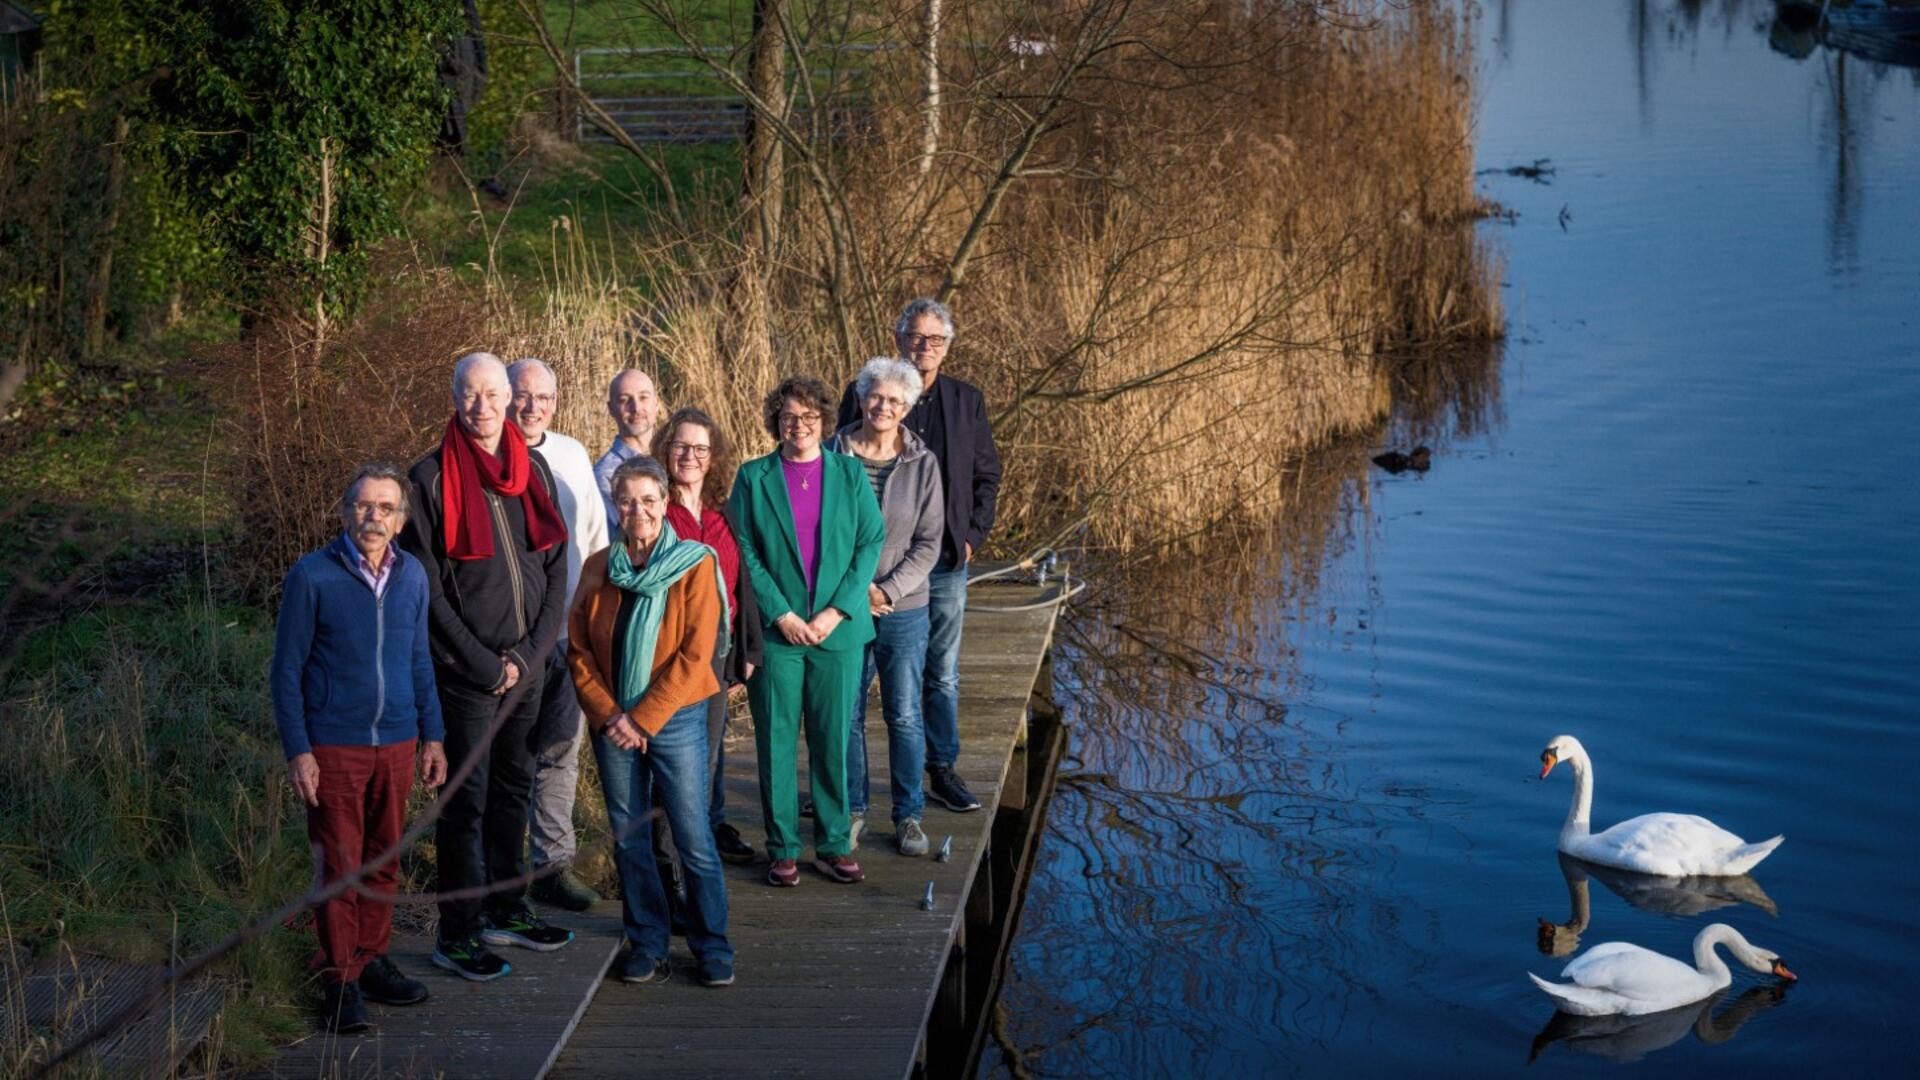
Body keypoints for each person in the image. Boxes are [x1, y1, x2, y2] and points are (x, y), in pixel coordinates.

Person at [399, 352, 575, 983]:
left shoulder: (537, 471)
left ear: (509, 397)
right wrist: (483, 663)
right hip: (466, 673)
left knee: (511, 794)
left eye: (493, 394)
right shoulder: (429, 479)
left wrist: (526, 659)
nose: (484, 407)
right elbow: (429, 593)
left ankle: (507, 906)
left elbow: (557, 569)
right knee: (464, 804)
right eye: (469, 395)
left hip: (525, 665)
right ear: (455, 399)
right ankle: (460, 931)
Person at [271, 464, 449, 1032]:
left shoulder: (413, 576)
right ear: (345, 513)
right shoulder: (312, 576)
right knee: (340, 866)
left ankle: (371, 960)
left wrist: (433, 734)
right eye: (364, 506)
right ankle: (340, 980)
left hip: (397, 741)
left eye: (386, 508)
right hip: (334, 746)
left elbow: (420, 660)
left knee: (383, 859)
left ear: (401, 520)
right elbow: (286, 670)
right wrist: (299, 749)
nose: (374, 517)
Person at [568, 456, 736, 986]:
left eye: (648, 499)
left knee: (692, 836)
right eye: (626, 500)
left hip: (677, 717)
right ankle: (647, 941)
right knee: (629, 837)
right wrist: (610, 714)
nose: (637, 510)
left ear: (665, 504)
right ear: (614, 506)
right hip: (612, 719)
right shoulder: (599, 567)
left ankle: (712, 945)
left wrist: (641, 720)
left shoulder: (695, 564)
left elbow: (695, 655)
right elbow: (577, 651)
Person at [836, 299, 1001, 813]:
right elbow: (837, 466)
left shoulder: (965, 400)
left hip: (944, 557)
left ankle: (941, 769)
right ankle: (848, 791)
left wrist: (971, 534)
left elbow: (986, 474)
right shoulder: (866, 392)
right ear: (898, 336)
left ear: (947, 346)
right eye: (914, 335)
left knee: (940, 670)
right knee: (858, 688)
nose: (923, 345)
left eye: (934, 339)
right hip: (866, 570)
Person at [731, 376, 885, 886]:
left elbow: (869, 543)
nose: (798, 426)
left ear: (824, 422)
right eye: (789, 418)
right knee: (775, 741)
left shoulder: (849, 473)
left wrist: (836, 611)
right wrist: (782, 614)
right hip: (778, 634)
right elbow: (744, 550)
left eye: (809, 418)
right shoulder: (754, 478)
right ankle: (782, 847)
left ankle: (835, 843)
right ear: (776, 422)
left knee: (833, 739)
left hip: (836, 632)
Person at [825, 359, 944, 856]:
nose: (884, 407)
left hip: (903, 608)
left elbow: (929, 541)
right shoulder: (831, 453)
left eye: (896, 401)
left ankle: (908, 815)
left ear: (908, 407)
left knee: (903, 713)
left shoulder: (923, 463)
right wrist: (855, 594)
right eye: (876, 396)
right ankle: (852, 811)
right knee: (846, 712)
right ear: (861, 395)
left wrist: (887, 591)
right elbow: (819, 533)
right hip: (844, 608)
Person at [507, 358, 609, 912]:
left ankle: (552, 864)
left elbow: (593, 538)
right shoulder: (489, 455)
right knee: (508, 756)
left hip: (568, 630)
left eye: (543, 397)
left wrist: (588, 622)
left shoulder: (572, 455)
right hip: (512, 637)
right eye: (523, 395)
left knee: (560, 749)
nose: (532, 407)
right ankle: (498, 871)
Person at [650, 408, 764, 868]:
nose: (690, 456)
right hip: (670, 659)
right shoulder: (656, 509)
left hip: (717, 657)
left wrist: (747, 649)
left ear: (713, 456)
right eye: (681, 446)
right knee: (672, 769)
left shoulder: (721, 514)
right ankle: (667, 866)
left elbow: (742, 585)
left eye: (700, 448)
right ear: (666, 450)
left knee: (706, 763)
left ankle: (694, 860)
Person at [594, 369, 661, 531]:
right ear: (611, 408)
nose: (636, 408)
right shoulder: (605, 476)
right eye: (625, 400)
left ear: (656, 403)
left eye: (643, 397)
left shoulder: (673, 461)